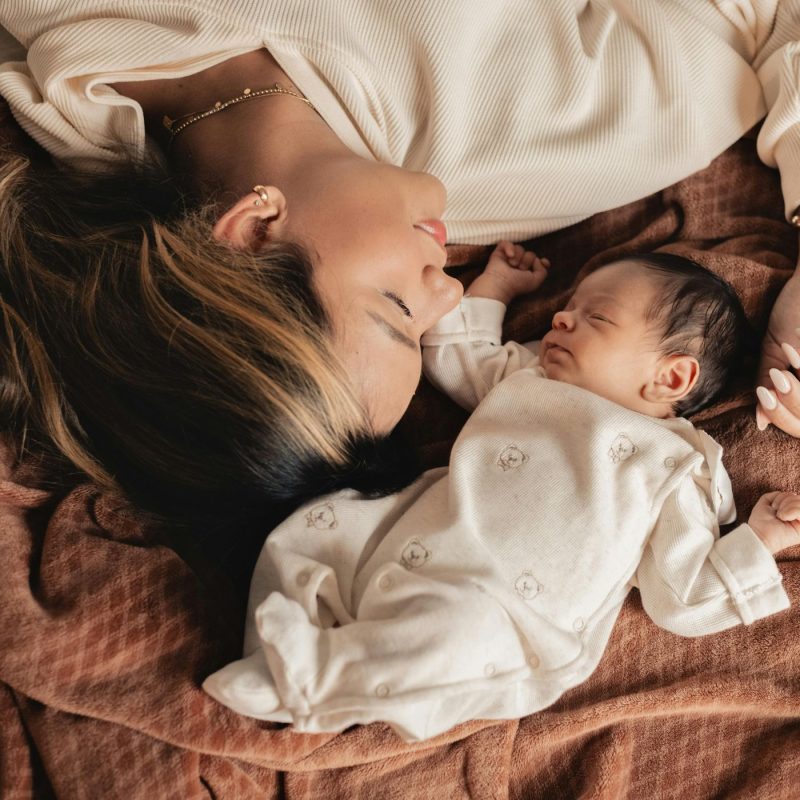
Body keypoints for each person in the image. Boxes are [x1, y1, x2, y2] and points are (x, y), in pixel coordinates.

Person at [2, 1, 800, 523]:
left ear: (252, 231)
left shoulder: (67, 43)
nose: (449, 290)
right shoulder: (543, 137)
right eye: (427, 329)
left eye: (394, 308)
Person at [202, 245, 800, 742]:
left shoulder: (678, 465)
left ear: (671, 376)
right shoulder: (534, 375)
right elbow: (457, 357)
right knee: (314, 528)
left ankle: (313, 684)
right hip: (416, 531)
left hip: (511, 614)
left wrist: (759, 539)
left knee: (446, 638)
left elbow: (682, 594)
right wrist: (496, 287)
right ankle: (272, 649)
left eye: (597, 318)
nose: (562, 320)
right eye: (567, 308)